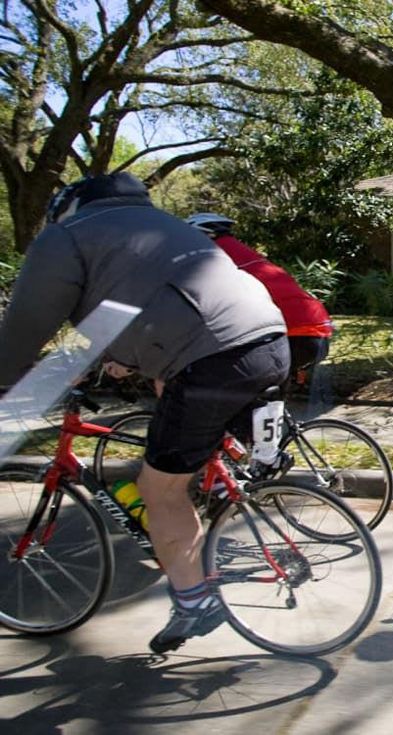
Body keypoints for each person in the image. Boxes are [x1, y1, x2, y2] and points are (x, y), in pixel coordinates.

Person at [0, 173, 289, 653]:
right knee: (172, 405)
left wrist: (9, 378)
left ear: (66, 210)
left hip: (210, 361)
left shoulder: (68, 236)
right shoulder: (159, 226)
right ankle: (232, 473)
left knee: (159, 490)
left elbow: (26, 326)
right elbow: (130, 306)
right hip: (269, 340)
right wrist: (105, 359)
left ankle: (195, 601)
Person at [185, 213, 333, 392]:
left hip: (291, 331)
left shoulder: (214, 257)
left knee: (228, 382)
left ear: (202, 235)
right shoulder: (244, 254)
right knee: (264, 392)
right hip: (318, 331)